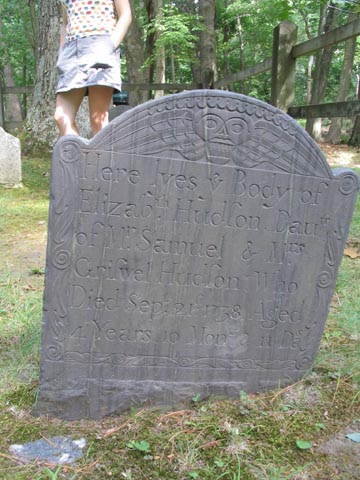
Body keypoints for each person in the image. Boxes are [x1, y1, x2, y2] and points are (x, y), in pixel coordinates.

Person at [54, 0, 132, 136]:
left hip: (100, 43)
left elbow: (126, 15)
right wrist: (62, 52)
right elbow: (65, 24)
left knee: (98, 120)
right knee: (61, 117)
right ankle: (81, 156)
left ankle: (105, 157)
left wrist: (110, 46)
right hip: (72, 50)